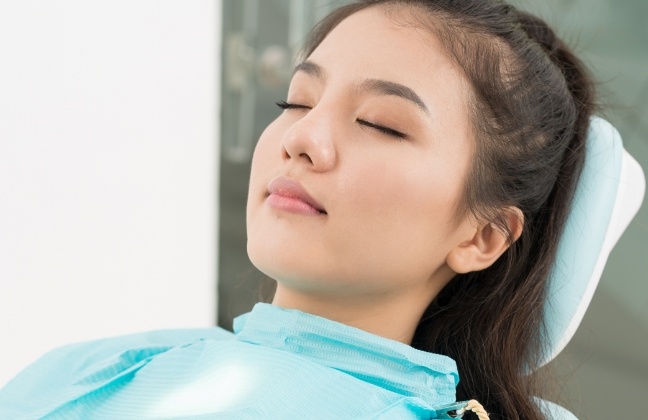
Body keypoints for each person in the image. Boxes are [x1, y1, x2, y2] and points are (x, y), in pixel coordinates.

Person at [0, 0, 596, 418]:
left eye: (380, 124)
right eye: (297, 99)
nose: (302, 137)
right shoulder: (104, 366)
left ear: (484, 235)